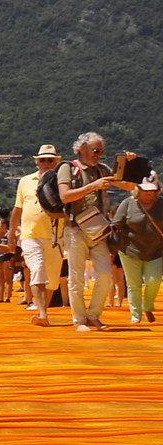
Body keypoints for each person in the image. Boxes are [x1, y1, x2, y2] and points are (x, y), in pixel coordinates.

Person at [58, 132, 130, 332]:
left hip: (97, 228)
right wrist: (93, 186)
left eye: (101, 151)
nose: (99, 155)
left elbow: (128, 186)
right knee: (76, 278)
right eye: (95, 150)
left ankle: (93, 315)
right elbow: (65, 196)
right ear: (82, 149)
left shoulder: (102, 169)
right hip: (75, 229)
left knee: (106, 275)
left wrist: (130, 164)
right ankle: (79, 320)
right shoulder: (68, 168)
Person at [11, 144, 65, 326]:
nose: (46, 163)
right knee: (37, 272)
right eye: (43, 160)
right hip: (30, 236)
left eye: (50, 160)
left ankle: (44, 311)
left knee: (53, 281)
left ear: (57, 161)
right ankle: (42, 314)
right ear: (37, 162)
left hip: (56, 237)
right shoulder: (25, 181)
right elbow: (17, 210)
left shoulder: (64, 182)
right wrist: (12, 234)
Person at [112, 175, 163, 325]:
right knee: (133, 285)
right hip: (130, 250)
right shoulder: (128, 204)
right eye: (145, 190)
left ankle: (148, 306)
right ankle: (136, 315)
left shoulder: (161, 204)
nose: (149, 194)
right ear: (138, 190)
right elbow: (116, 223)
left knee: (154, 281)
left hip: (155, 250)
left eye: (152, 191)